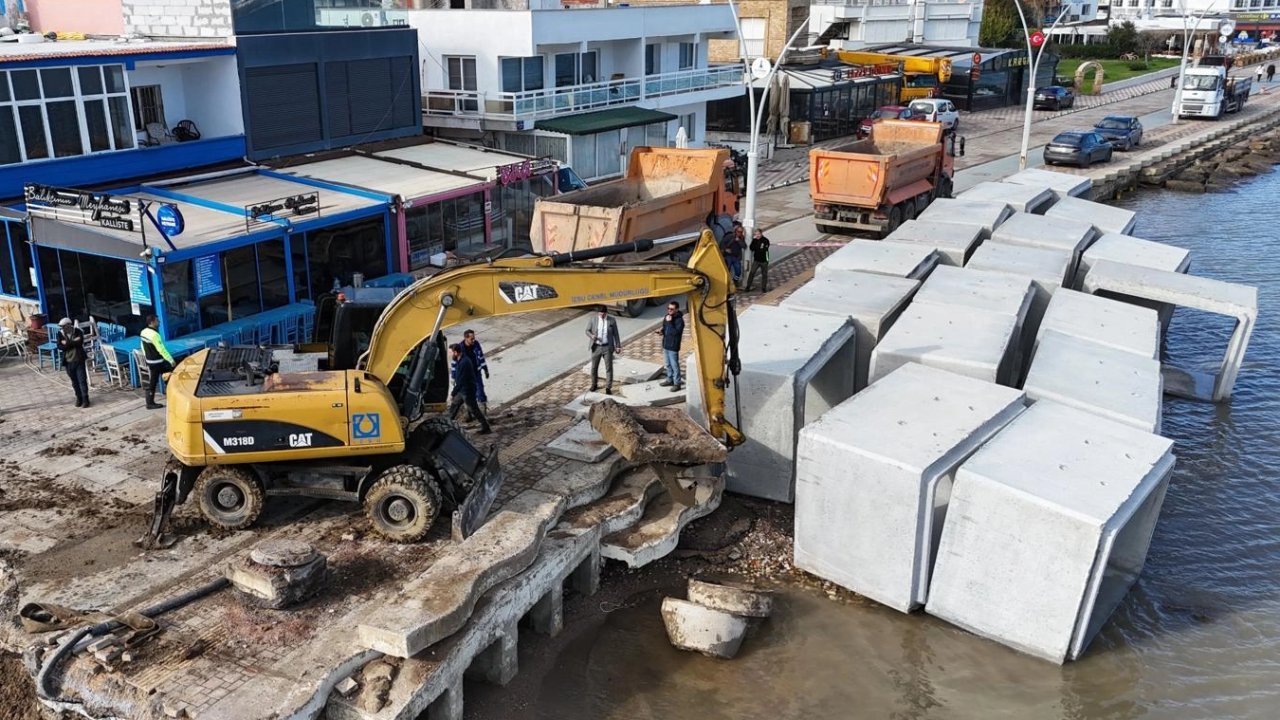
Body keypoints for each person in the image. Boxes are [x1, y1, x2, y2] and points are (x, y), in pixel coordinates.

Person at [447, 343, 491, 434]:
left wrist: (452, 393)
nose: (449, 355)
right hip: (462, 390)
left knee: (473, 409)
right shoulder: (460, 360)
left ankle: (485, 427)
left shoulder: (464, 362)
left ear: (456, 352)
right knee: (454, 405)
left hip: (468, 391)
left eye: (450, 353)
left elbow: (460, 381)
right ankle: (447, 424)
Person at [140, 314, 175, 409]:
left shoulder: (143, 332)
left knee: (154, 381)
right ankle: (173, 397)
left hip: (150, 361)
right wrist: (171, 360)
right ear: (152, 322)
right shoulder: (155, 335)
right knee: (171, 376)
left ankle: (150, 402)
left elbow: (142, 346)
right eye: (157, 321)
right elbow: (161, 349)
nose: (159, 322)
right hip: (157, 361)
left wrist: (146, 356)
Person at [585, 305, 621, 395]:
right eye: (600, 314)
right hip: (596, 347)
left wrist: (618, 346)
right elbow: (587, 331)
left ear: (606, 313)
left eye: (603, 314)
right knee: (594, 367)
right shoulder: (593, 320)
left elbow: (616, 334)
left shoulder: (611, 320)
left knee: (609, 368)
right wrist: (592, 336)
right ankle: (594, 384)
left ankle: (608, 387)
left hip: (607, 347)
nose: (602, 316)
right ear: (598, 313)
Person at [56, 318, 90, 408]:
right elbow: (60, 346)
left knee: (82, 380)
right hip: (68, 361)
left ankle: (85, 399)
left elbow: (80, 342)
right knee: (74, 381)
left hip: (79, 360)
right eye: (61, 327)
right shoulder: (60, 334)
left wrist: (66, 343)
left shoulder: (78, 331)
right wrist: (73, 342)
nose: (62, 328)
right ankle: (79, 398)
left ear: (68, 325)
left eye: (63, 326)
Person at [457, 329, 490, 419]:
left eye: (474, 338)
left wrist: (485, 369)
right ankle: (469, 413)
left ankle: (483, 411)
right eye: (471, 339)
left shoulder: (476, 344)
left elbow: (481, 356)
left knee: (480, 391)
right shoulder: (460, 348)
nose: (473, 340)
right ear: (466, 338)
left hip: (476, 372)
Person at [655, 301, 684, 392]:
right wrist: (661, 332)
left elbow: (676, 333)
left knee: (674, 366)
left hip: (673, 346)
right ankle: (669, 379)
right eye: (668, 308)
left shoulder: (679, 320)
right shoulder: (667, 317)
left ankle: (677, 383)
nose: (669, 310)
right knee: (667, 365)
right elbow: (665, 327)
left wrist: (670, 322)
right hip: (666, 344)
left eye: (671, 309)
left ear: (677, 309)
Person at [746, 228, 771, 293]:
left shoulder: (765, 240)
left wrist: (758, 247)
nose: (757, 235)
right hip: (756, 260)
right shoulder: (754, 240)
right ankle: (748, 286)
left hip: (764, 260)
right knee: (752, 273)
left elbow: (764, 249)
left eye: (758, 234)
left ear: (761, 233)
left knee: (764, 274)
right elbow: (751, 248)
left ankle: (763, 288)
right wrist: (758, 247)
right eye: (756, 234)